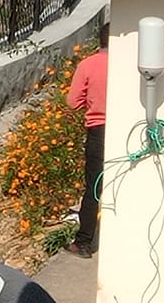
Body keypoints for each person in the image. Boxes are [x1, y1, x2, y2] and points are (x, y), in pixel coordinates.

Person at [65, 47, 108, 257]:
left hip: (98, 130)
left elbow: (73, 102)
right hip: (128, 128)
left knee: (94, 188)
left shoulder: (88, 64)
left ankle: (83, 242)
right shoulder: (128, 63)